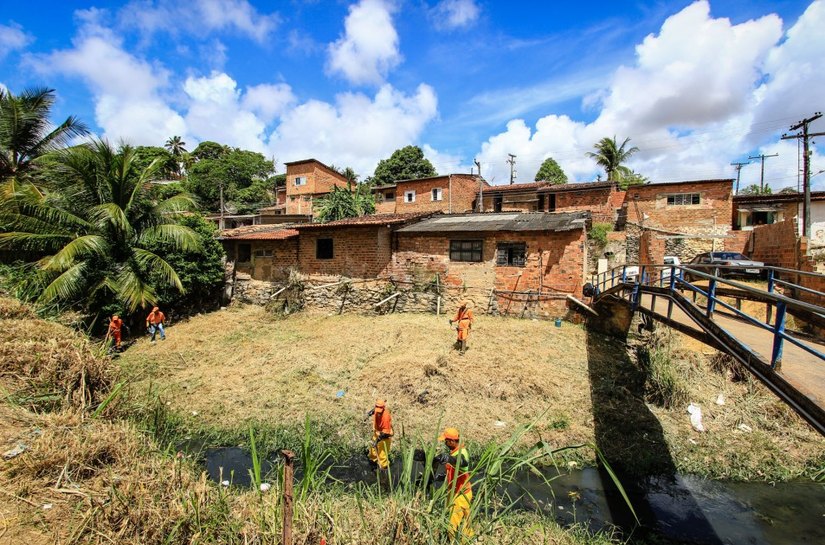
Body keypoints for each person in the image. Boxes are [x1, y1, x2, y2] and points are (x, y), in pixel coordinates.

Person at [435, 427, 474, 540]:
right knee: (465, 521)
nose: (445, 443)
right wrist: (443, 476)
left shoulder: (462, 453)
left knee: (452, 525)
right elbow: (453, 470)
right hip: (456, 492)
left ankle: (454, 541)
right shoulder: (454, 451)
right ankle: (468, 539)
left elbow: (461, 462)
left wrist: (448, 458)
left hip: (461, 495)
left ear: (452, 441)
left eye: (446, 441)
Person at [366, 399, 393, 471]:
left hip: (385, 437)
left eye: (379, 411)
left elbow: (385, 433)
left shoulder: (385, 417)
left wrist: (377, 441)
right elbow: (375, 409)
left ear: (383, 408)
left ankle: (384, 468)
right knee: (373, 450)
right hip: (377, 432)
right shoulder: (377, 409)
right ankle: (373, 461)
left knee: (382, 455)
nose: (378, 412)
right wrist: (370, 413)